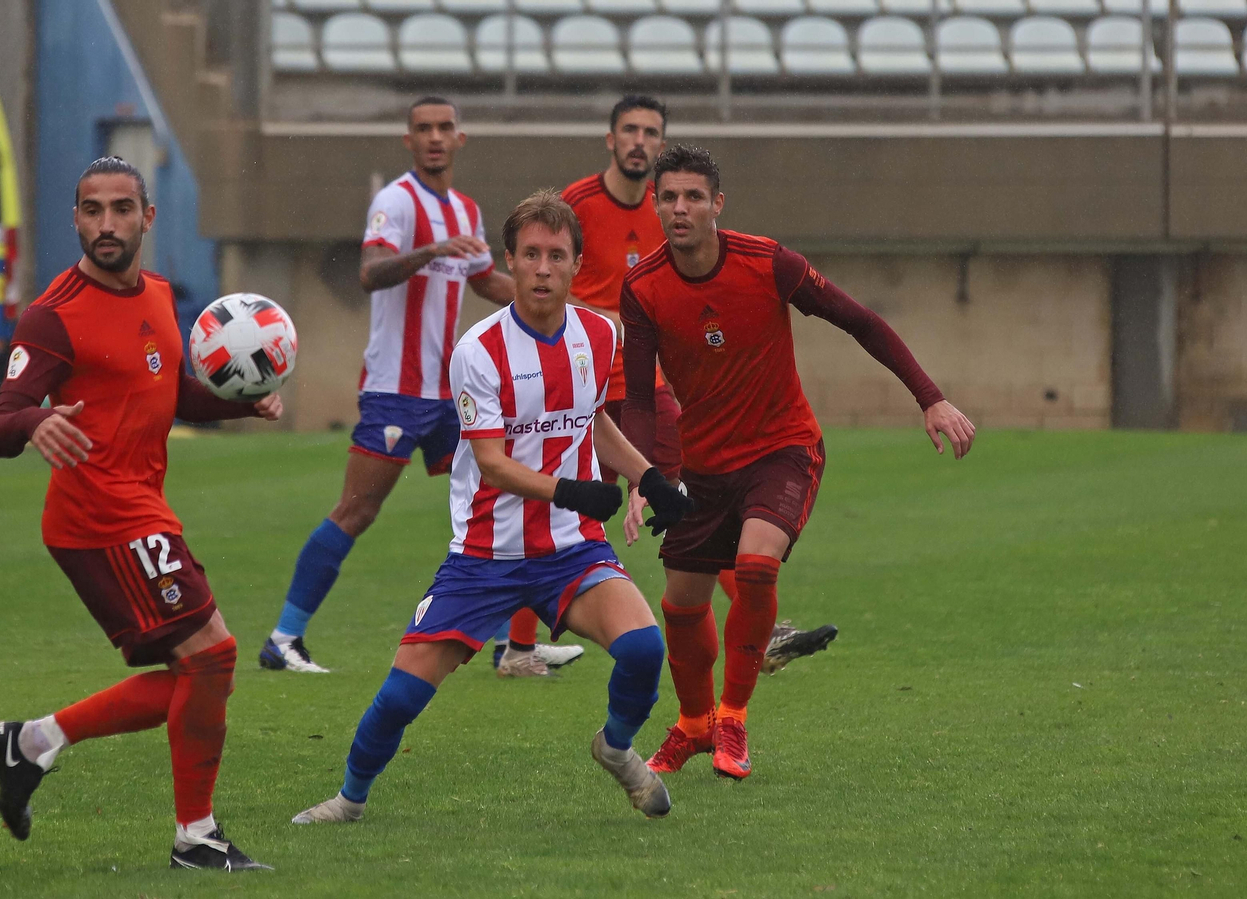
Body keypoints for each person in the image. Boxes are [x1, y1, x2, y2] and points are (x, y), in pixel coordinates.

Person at [290, 191, 695, 825]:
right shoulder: (477, 351)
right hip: (485, 557)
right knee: (400, 696)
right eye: (529, 254)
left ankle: (616, 749)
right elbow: (492, 463)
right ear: (509, 260)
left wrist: (651, 477)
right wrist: (570, 490)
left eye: (555, 255)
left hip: (572, 550)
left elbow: (592, 421)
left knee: (645, 649)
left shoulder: (598, 334)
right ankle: (349, 799)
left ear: (575, 266)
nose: (541, 268)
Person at [621, 145, 976, 780]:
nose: (680, 208)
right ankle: (695, 724)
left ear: (717, 205)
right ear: (655, 203)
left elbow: (859, 321)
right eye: (669, 197)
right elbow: (643, 397)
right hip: (703, 469)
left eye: (693, 197)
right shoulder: (643, 286)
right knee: (681, 604)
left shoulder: (769, 262)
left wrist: (930, 398)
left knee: (756, 565)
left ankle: (733, 717)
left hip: (782, 449)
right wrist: (645, 476)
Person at [0, 157, 277, 871]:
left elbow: (170, 390)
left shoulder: (161, 294)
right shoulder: (54, 315)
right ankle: (195, 837)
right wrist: (36, 421)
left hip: (140, 510)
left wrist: (239, 402)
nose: (105, 224)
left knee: (198, 674)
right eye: (91, 210)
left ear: (148, 216)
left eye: (120, 209)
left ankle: (35, 741)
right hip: (98, 519)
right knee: (213, 655)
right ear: (75, 218)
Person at [259, 96, 579, 677]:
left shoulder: (465, 208)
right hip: (395, 391)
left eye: (444, 128)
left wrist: (560, 301)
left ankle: (516, 646)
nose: (435, 137)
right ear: (409, 140)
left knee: (509, 494)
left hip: (453, 392)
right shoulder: (396, 202)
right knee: (357, 510)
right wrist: (429, 251)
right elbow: (370, 272)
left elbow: (484, 280)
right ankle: (284, 637)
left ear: (462, 138)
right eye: (423, 129)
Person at [524, 95, 837, 677]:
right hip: (581, 384)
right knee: (552, 501)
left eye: (651, 132)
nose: (640, 141)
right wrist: (598, 320)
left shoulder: (670, 208)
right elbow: (541, 278)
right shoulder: (576, 205)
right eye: (630, 130)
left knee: (693, 507)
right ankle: (518, 646)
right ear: (611, 140)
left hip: (647, 388)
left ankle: (758, 625)